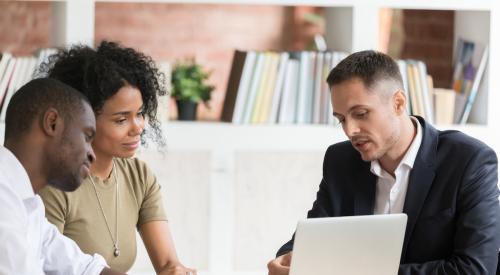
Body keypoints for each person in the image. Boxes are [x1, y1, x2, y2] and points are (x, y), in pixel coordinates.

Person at [267, 50, 500, 275]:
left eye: (360, 114)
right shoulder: (341, 161)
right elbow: (312, 238)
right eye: (341, 119)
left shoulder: (470, 162)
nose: (350, 130)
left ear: (398, 103)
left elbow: (475, 269)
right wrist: (288, 258)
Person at [37, 41, 195, 275]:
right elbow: (42, 266)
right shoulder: (55, 187)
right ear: (82, 119)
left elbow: (168, 264)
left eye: (140, 114)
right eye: (121, 120)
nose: (138, 127)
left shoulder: (138, 176)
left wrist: (177, 271)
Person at [0, 78, 125, 275]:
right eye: (87, 137)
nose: (92, 154)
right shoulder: (3, 196)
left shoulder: (30, 207)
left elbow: (84, 268)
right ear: (52, 123)